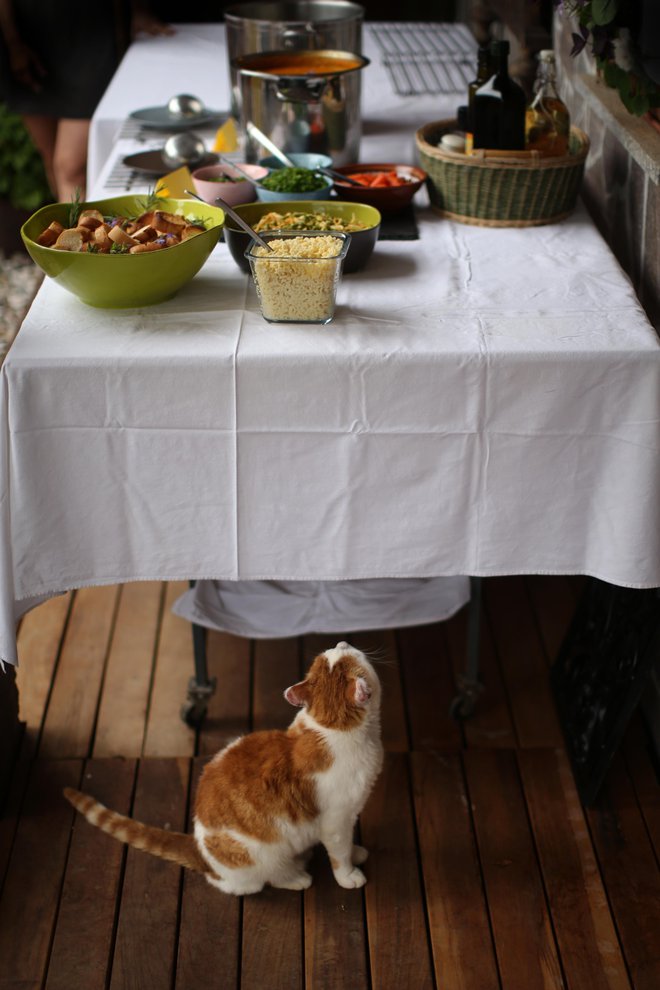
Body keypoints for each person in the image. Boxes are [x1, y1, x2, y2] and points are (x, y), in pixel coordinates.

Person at [0, 0, 173, 202]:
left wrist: (139, 10)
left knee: (70, 168)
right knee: (51, 159)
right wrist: (13, 43)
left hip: (90, 34)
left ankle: (80, 232)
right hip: (27, 35)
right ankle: (70, 227)